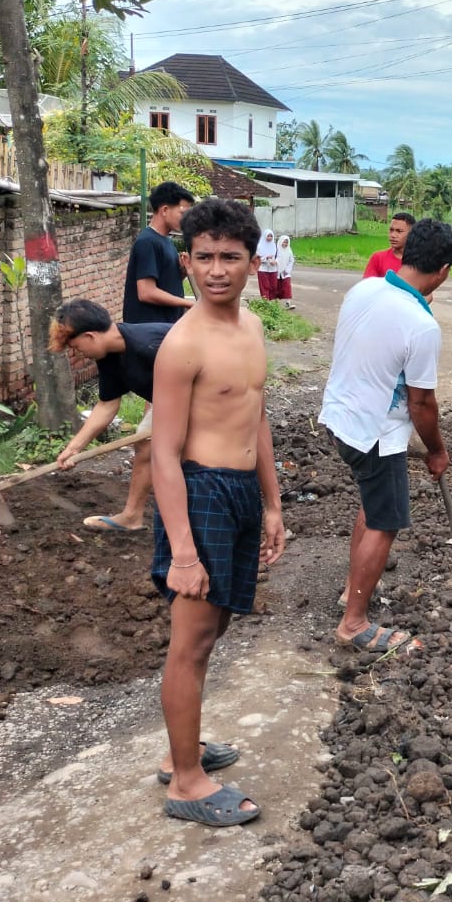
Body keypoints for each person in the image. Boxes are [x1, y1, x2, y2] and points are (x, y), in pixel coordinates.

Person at [150, 197, 286, 828]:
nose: (216, 270)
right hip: (199, 494)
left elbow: (253, 418)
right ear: (187, 262)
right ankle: (185, 780)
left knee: (215, 628)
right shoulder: (183, 345)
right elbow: (163, 455)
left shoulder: (253, 328)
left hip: (238, 495)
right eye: (203, 258)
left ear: (252, 263)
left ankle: (187, 743)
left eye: (230, 257)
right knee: (192, 640)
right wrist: (181, 550)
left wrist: (273, 504)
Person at [320, 217, 452, 653]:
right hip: (375, 434)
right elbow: (423, 405)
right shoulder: (422, 326)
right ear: (442, 270)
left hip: (340, 417)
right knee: (385, 520)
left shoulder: (364, 289)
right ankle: (354, 623)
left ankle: (352, 589)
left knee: (372, 503)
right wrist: (437, 451)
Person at [48, 298, 170, 534]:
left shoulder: (151, 345)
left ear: (90, 336)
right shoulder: (109, 356)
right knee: (145, 444)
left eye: (76, 347)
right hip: (170, 400)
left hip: (210, 396)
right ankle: (132, 517)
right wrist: (74, 448)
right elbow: (106, 405)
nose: (78, 353)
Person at [122, 181, 196, 324]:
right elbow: (146, 292)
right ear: (164, 210)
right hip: (147, 331)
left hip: (163, 326)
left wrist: (182, 272)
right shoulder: (148, 242)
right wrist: (188, 303)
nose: (186, 219)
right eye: (182, 213)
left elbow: (165, 283)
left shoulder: (165, 241)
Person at [363, 211, 414, 278]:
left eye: (399, 231)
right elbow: (367, 285)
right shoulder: (378, 258)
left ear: (411, 233)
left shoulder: (420, 261)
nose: (393, 235)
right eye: (391, 230)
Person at [256, 229, 280, 300]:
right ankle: (266, 302)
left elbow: (279, 256)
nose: (269, 238)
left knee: (274, 286)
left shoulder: (274, 246)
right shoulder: (260, 246)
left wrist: (276, 261)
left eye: (271, 236)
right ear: (264, 236)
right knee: (264, 286)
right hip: (263, 269)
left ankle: (271, 301)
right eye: (268, 236)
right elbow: (257, 258)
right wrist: (266, 258)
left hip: (273, 269)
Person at [275, 235, 296, 308]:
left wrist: (287, 269)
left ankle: (288, 303)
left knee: (287, 286)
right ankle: (274, 303)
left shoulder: (289, 250)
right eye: (284, 242)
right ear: (280, 242)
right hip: (276, 272)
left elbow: (291, 260)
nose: (285, 244)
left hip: (286, 272)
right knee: (276, 287)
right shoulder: (276, 250)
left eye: (286, 242)